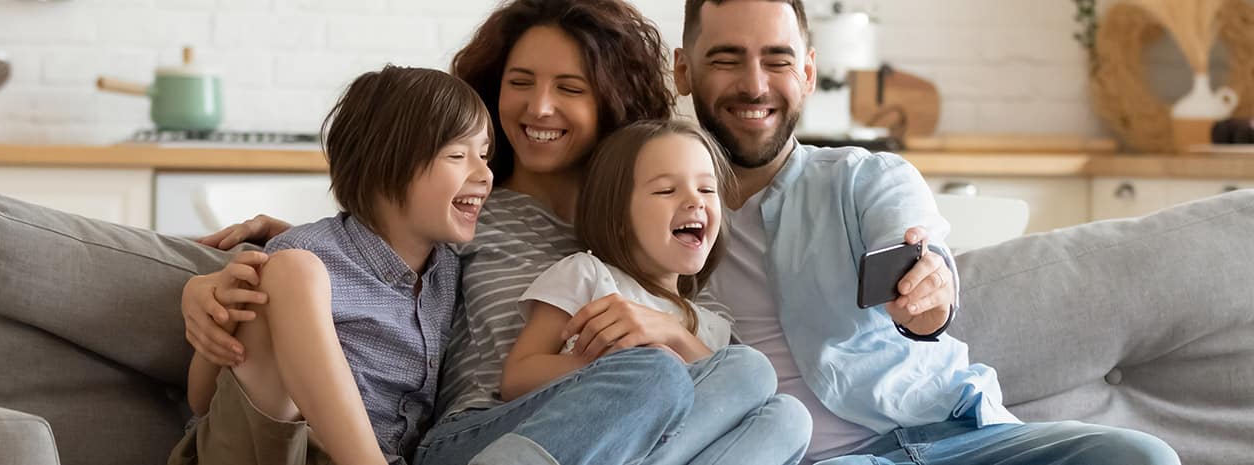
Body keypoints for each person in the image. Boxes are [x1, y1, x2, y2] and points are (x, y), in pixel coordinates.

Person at [183, 1, 811, 464]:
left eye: (570, 88)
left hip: (610, 432)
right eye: (519, 84)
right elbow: (375, 247)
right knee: (654, 376)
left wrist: (669, 332)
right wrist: (261, 259)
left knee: (767, 394)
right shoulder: (469, 218)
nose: (539, 108)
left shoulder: (638, 227)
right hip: (478, 430)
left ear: (611, 102)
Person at [672, 1, 1181, 464]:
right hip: (824, 460)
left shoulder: (865, 178)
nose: (755, 85)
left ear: (807, 72)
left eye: (778, 60)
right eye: (726, 59)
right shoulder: (653, 213)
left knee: (1141, 456)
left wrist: (929, 291)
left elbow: (917, 252)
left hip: (961, 439)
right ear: (683, 70)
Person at [170, 65, 493, 465]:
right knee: (293, 270)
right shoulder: (298, 258)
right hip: (261, 449)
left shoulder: (449, 270)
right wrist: (215, 319)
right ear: (384, 166)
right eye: (459, 155)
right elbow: (201, 399)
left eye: (484, 154)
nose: (484, 173)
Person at [501, 120, 807, 461]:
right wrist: (618, 371)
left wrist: (672, 334)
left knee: (789, 415)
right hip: (590, 445)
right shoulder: (589, 275)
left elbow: (730, 404)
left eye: (707, 190)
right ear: (618, 216)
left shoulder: (713, 326)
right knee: (693, 372)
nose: (695, 201)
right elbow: (516, 379)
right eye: (666, 190)